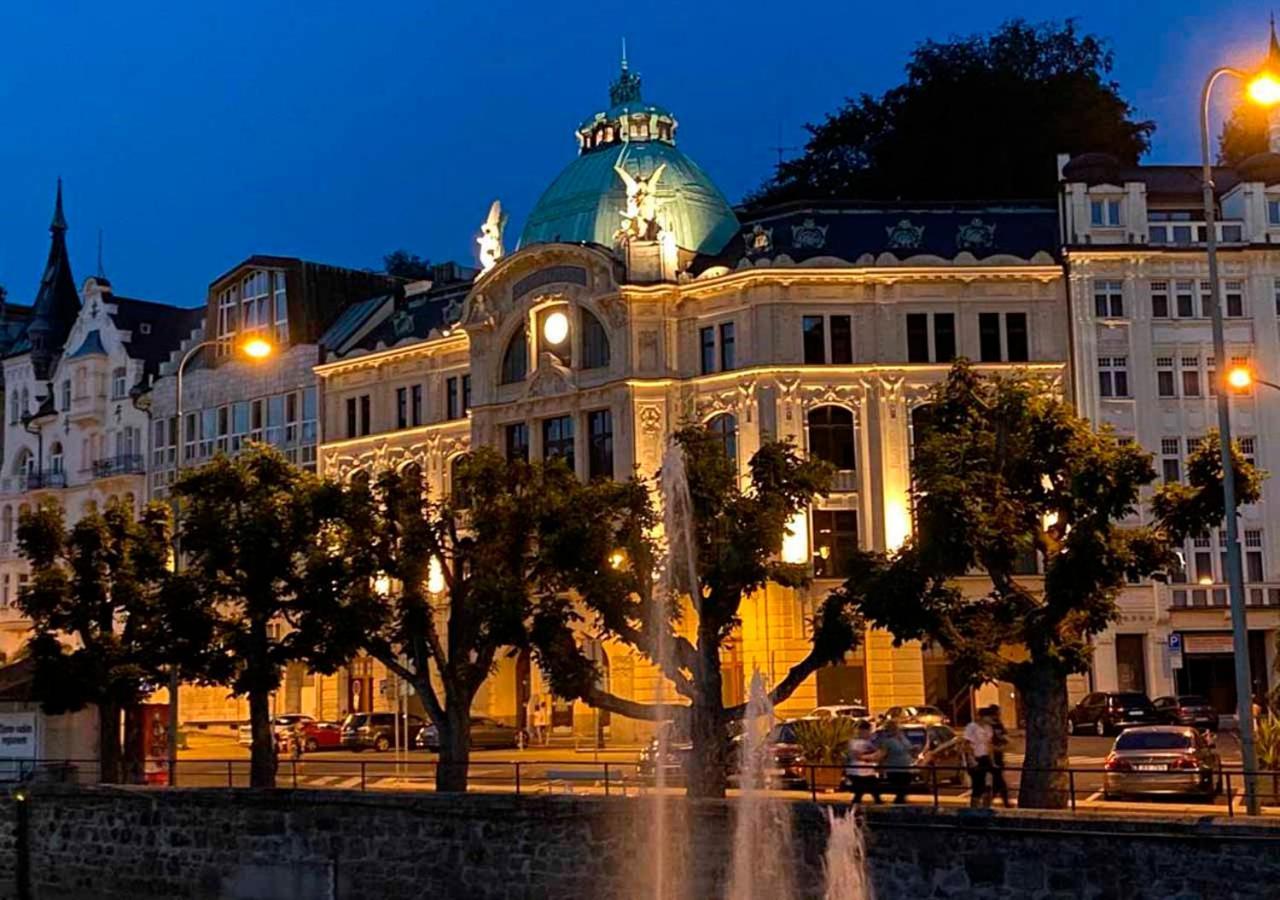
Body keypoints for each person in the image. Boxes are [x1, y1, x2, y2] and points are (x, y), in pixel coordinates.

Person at [876, 720, 916, 804]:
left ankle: (900, 804)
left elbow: (908, 748)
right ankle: (897, 805)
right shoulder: (887, 741)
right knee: (901, 790)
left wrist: (913, 750)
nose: (899, 729)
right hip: (895, 769)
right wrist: (880, 765)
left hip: (906, 767)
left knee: (904, 789)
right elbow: (883, 754)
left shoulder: (902, 737)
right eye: (897, 728)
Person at [963, 708, 995, 808]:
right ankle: (974, 808)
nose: (991, 719)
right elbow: (967, 744)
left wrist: (992, 760)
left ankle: (987, 807)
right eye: (989, 716)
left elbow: (989, 744)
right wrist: (971, 759)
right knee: (977, 785)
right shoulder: (972, 727)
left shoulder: (988, 728)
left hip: (985, 757)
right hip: (976, 758)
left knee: (989, 784)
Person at [845, 720, 882, 805]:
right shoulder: (854, 742)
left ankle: (878, 804)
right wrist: (870, 757)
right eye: (867, 730)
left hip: (867, 771)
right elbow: (856, 755)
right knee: (863, 790)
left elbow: (877, 752)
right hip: (857, 772)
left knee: (871, 790)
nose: (869, 733)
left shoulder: (869, 742)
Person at [985, 705, 1011, 808]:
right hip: (990, 757)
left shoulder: (998, 724)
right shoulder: (987, 726)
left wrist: (1004, 742)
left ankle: (988, 803)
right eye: (998, 712)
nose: (999, 714)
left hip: (998, 757)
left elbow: (1004, 737)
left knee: (997, 782)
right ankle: (1005, 803)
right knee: (998, 781)